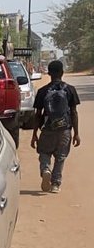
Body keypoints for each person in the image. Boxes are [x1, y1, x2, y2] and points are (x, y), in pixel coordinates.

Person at [30, 60, 81, 193]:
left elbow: (38, 114)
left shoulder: (42, 91)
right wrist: (76, 133)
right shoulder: (70, 90)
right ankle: (55, 185)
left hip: (47, 129)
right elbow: (74, 113)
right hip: (64, 129)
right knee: (60, 157)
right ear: (62, 73)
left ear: (49, 73)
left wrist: (34, 133)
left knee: (44, 152)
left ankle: (46, 169)